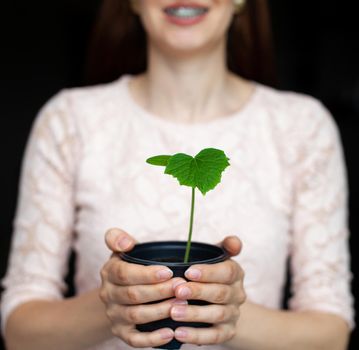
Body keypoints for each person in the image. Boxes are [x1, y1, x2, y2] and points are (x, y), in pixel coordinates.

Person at [1, 0, 354, 349]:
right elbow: (19, 332)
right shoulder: (69, 120)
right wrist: (112, 305)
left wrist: (225, 308)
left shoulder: (302, 127)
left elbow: (331, 333)